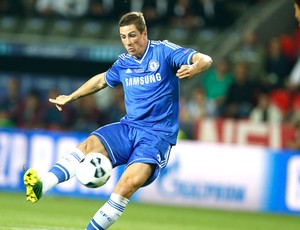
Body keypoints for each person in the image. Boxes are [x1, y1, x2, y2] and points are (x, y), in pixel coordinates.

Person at [23, 12, 212, 230]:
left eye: (132, 35)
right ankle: (41, 185)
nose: (128, 42)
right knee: (88, 145)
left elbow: (205, 59)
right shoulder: (124, 62)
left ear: (144, 33)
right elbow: (101, 80)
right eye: (123, 37)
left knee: (126, 185)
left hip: (156, 137)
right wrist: (72, 96)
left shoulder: (163, 51)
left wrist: (195, 67)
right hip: (128, 128)